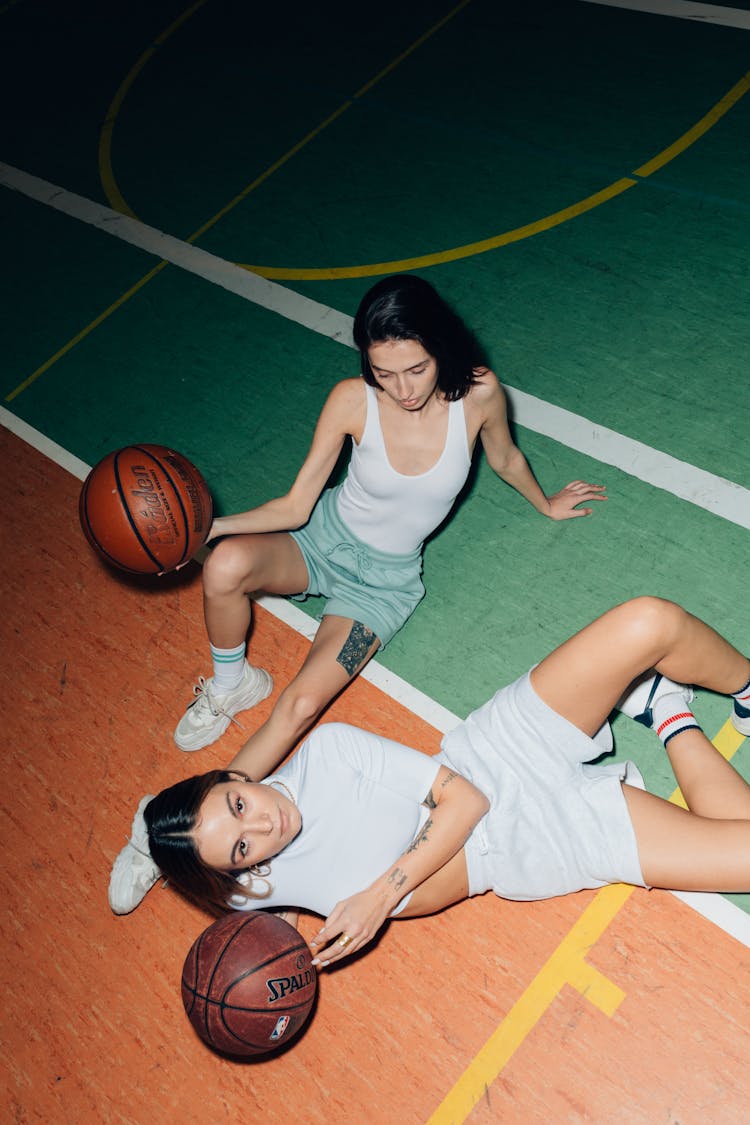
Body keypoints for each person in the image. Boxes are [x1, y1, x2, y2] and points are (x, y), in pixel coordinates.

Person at [109, 273, 606, 913]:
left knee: (302, 703)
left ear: (442, 347)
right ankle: (230, 690)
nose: (400, 389)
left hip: (382, 584)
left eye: (416, 369)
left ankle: (165, 832)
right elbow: (295, 503)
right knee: (225, 565)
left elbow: (505, 459)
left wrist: (546, 502)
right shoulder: (352, 399)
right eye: (383, 372)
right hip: (322, 540)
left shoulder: (479, 394)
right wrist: (200, 533)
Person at [115, 596, 750, 965]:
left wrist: (380, 894)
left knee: (649, 620)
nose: (262, 824)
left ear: (236, 775)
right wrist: (159, 852)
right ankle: (668, 711)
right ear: (238, 873)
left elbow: (465, 798)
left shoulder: (330, 754)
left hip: (495, 754)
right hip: (530, 846)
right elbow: (218, 896)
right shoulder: (243, 886)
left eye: (238, 800)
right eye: (243, 848)